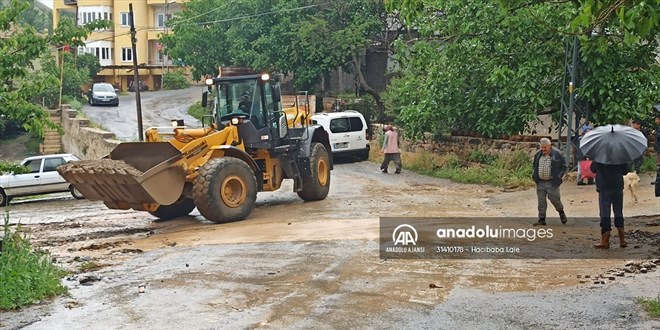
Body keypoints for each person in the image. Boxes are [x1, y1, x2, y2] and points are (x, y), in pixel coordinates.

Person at [590, 161, 631, 248]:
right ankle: (622, 240)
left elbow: (592, 169)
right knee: (618, 212)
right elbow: (626, 171)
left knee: (605, 213)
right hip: (617, 186)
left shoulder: (599, 155)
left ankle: (605, 241)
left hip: (604, 187)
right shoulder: (620, 155)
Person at [532, 138, 568, 225]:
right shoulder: (538, 154)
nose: (543, 149)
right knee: (541, 202)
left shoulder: (557, 154)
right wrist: (534, 174)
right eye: (542, 147)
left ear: (549, 146)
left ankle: (561, 212)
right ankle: (542, 219)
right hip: (540, 182)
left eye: (545, 147)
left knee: (555, 199)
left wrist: (559, 177)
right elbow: (534, 165)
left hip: (552, 182)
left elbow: (564, 166)